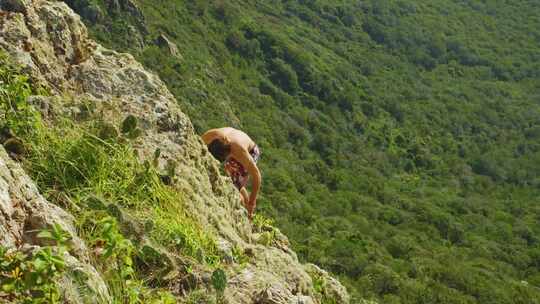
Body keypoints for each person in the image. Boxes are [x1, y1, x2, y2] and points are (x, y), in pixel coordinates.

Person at [202, 127, 261, 220]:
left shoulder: (240, 152)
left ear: (229, 153)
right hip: (233, 144)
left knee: (235, 188)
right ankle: (245, 200)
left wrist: (252, 203)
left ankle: (246, 211)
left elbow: (257, 175)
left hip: (251, 151)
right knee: (235, 182)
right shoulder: (211, 135)